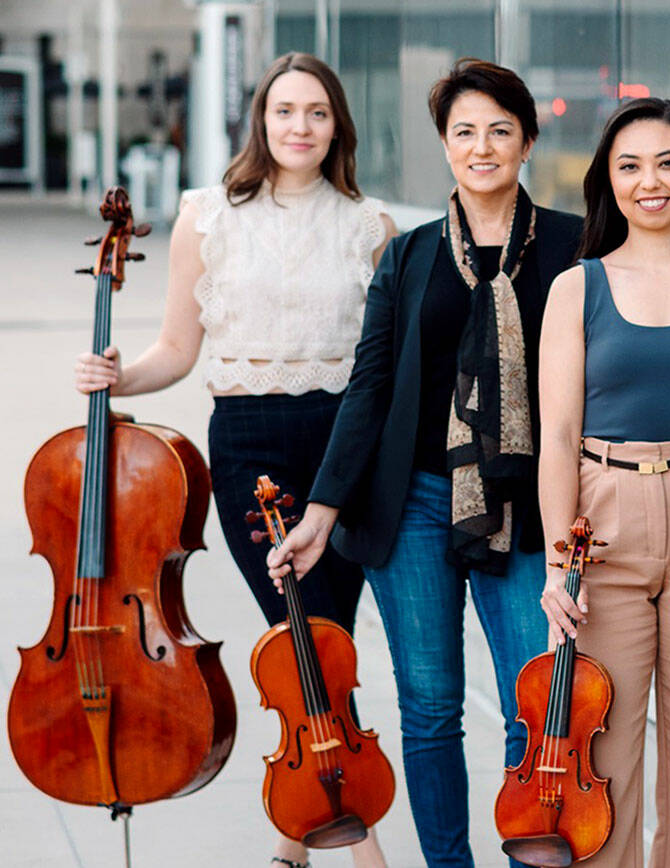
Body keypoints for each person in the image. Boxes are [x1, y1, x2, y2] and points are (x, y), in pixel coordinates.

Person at [74, 52, 395, 868]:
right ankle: (353, 840)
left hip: (341, 448)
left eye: (317, 112)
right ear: (261, 120)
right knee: (297, 631)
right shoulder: (207, 216)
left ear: (337, 126)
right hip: (249, 445)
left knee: (326, 639)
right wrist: (119, 376)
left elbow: (378, 368)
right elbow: (178, 350)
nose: (300, 127)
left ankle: (300, 841)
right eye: (285, 111)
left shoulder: (370, 225)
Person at [266, 58, 583, 867]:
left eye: (500, 131)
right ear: (444, 144)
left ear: (528, 141)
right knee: (432, 709)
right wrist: (321, 512)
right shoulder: (408, 256)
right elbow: (369, 386)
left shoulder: (575, 246)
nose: (482, 147)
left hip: (524, 505)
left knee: (532, 707)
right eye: (464, 132)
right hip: (412, 501)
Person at [536, 97, 670, 868]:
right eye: (629, 166)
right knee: (601, 748)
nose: (649, 181)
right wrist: (557, 564)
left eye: (667, 162)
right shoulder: (578, 287)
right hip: (601, 524)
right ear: (609, 178)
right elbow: (557, 438)